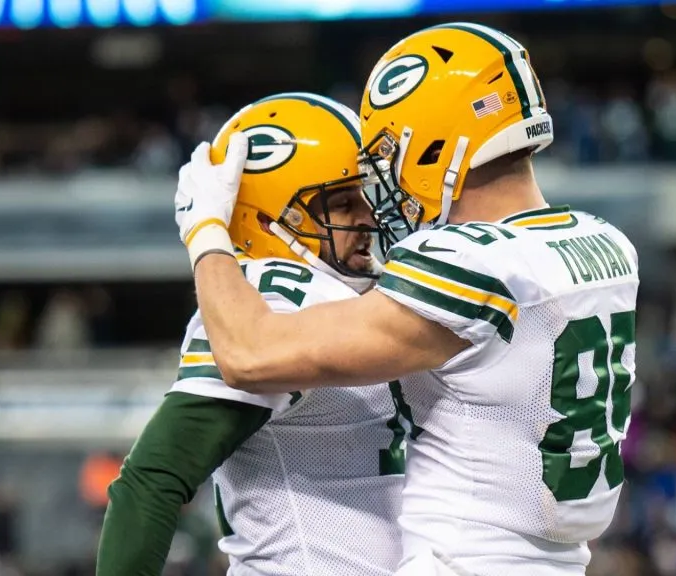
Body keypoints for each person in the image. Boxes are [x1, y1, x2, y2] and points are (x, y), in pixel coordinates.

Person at [176, 23, 641, 576]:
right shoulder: (607, 243)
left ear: (436, 141)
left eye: (391, 150)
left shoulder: (470, 261)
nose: (387, 176)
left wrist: (206, 230)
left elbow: (248, 356)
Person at [97, 93, 405, 576]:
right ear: (268, 219)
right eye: (343, 203)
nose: (368, 218)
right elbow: (152, 479)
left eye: (367, 197)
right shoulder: (272, 297)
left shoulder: (367, 301)